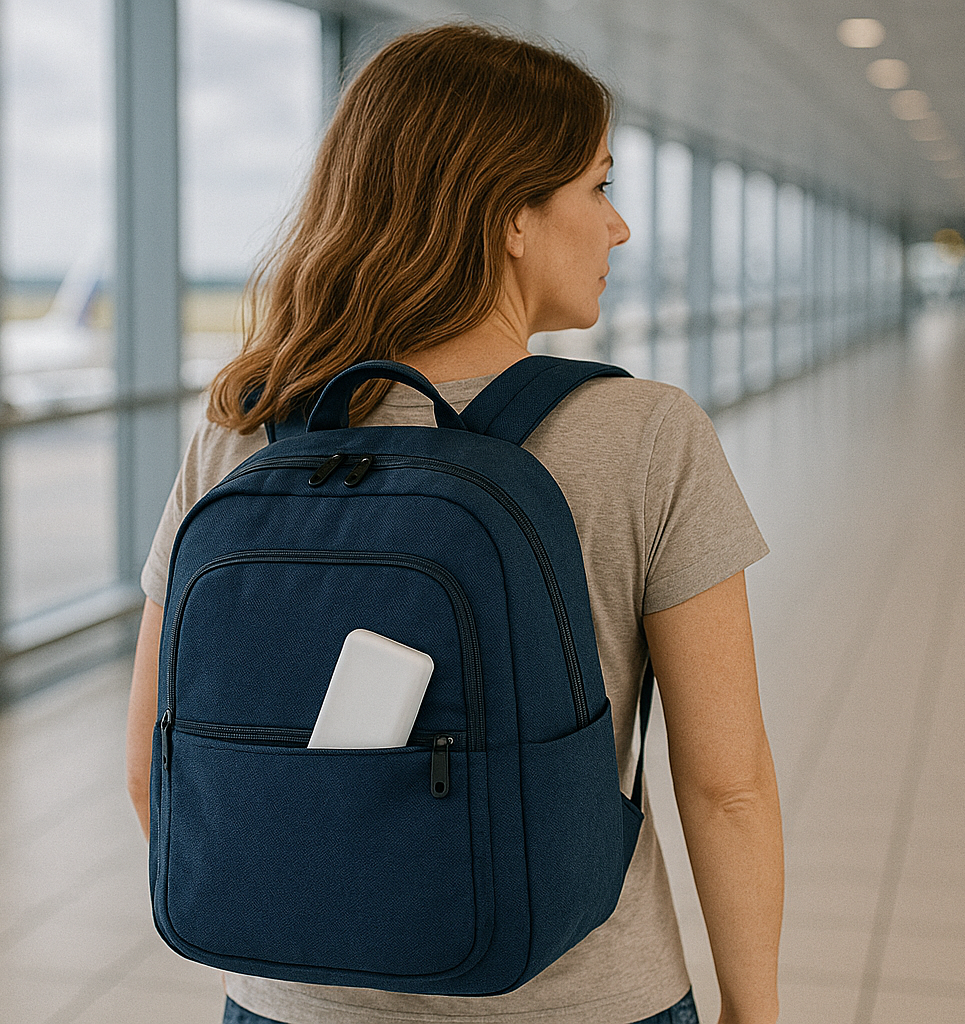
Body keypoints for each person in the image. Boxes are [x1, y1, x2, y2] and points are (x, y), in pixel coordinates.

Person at [125, 23, 782, 1024]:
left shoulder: (244, 434)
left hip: (284, 1005)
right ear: (512, 215)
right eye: (599, 187)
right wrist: (755, 1007)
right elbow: (726, 789)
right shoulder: (644, 435)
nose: (619, 228)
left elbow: (151, 771)